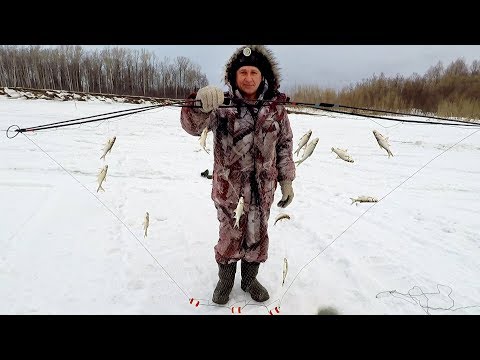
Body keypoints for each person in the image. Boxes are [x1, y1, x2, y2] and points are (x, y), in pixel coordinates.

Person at [180, 45, 296, 305]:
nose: (248, 78)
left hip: (263, 188)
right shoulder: (221, 105)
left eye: (253, 72)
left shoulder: (276, 109)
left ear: (262, 76)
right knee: (230, 234)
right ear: (233, 77)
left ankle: (249, 279)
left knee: (257, 234)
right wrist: (198, 104)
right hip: (229, 189)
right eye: (242, 72)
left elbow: (285, 145)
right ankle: (226, 278)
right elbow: (192, 126)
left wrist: (286, 181)